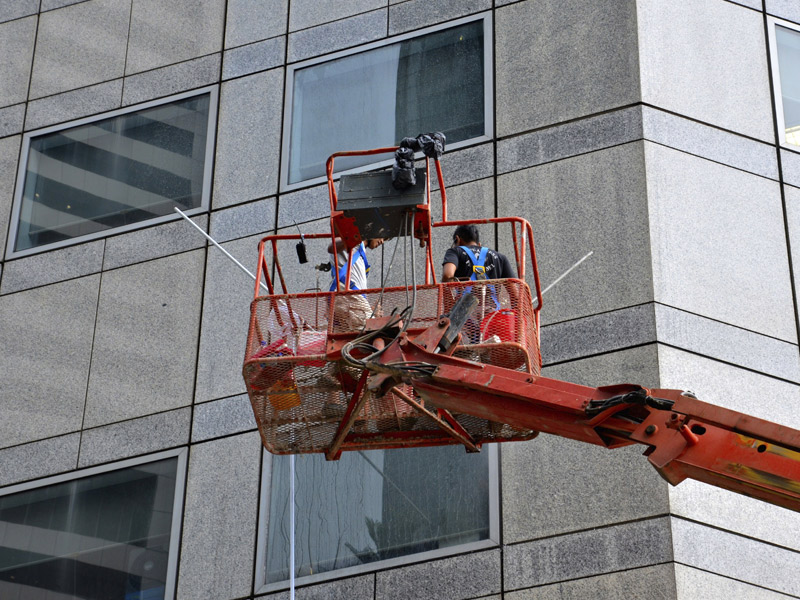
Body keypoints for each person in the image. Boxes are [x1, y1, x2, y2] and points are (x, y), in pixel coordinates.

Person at [328, 237, 384, 331]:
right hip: (348, 295)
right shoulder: (354, 243)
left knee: (347, 339)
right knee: (374, 332)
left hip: (348, 297)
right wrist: (352, 237)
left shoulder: (359, 251)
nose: (382, 241)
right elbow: (332, 247)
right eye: (381, 235)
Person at [442, 224, 516, 283]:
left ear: (457, 239)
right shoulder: (501, 257)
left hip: (465, 302)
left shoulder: (455, 251)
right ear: (479, 244)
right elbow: (515, 293)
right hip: (491, 302)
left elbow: (447, 276)